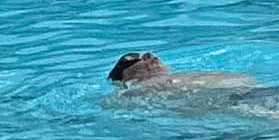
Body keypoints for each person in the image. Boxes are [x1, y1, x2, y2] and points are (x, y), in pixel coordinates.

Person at [107, 50, 267, 98]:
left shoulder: (185, 74)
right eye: (130, 60)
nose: (150, 56)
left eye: (147, 55)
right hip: (231, 101)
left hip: (252, 92)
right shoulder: (138, 89)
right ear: (127, 76)